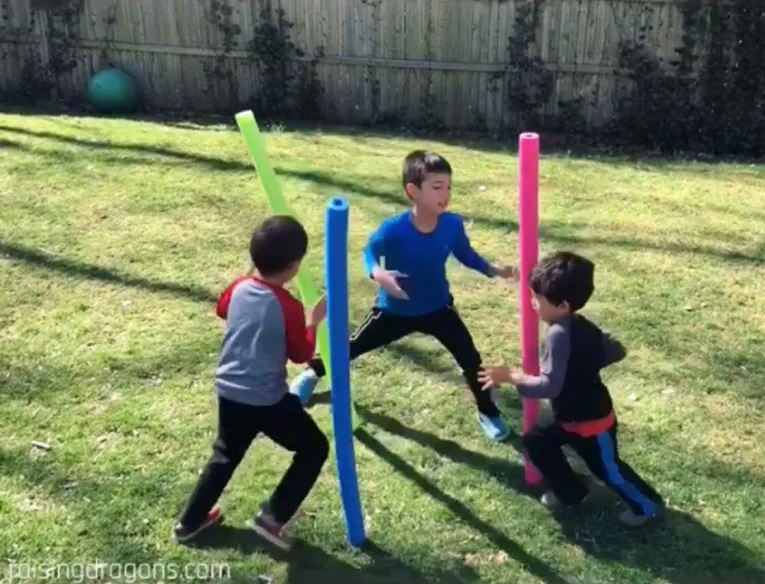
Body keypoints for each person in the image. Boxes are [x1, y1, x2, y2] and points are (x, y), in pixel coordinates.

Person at [290, 150, 517, 441]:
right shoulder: (393, 231)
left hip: (438, 309)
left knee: (471, 360)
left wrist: (493, 270)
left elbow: (465, 253)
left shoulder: (451, 225)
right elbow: (369, 254)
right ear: (413, 190)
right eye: (437, 187)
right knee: (352, 346)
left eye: (448, 187)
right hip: (394, 312)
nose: (445, 194)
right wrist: (378, 274)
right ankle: (311, 374)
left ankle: (488, 411)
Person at [174, 216, 329, 550]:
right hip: (266, 400)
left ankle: (188, 523)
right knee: (314, 448)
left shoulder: (238, 286)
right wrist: (313, 321)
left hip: (229, 389)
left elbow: (223, 309)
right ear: (293, 266)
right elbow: (302, 352)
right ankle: (272, 518)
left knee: (225, 455)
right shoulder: (288, 305)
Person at [479, 251, 663, 526]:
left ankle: (647, 506)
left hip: (592, 422)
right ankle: (572, 493)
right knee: (537, 441)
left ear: (563, 305)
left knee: (609, 471)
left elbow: (549, 386)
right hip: (567, 415)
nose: (532, 304)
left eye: (538, 300)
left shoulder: (559, 336)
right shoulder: (580, 325)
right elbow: (616, 349)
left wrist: (513, 377)